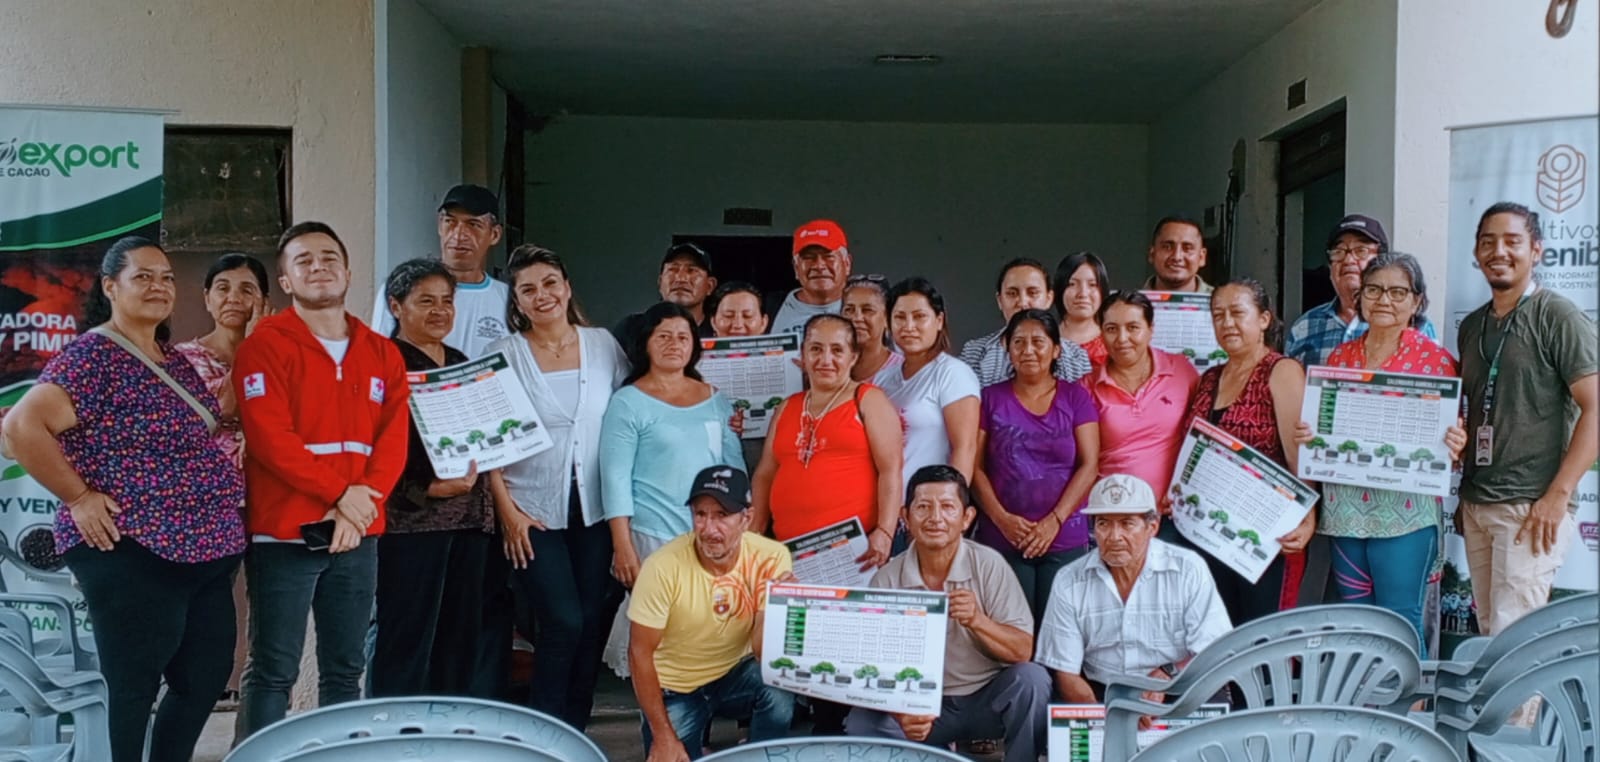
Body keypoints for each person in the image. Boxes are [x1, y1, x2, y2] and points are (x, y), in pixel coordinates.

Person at [1, 237, 246, 762]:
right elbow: (21, 428)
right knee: (133, 687)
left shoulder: (171, 358)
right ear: (111, 287)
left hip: (205, 551)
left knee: (204, 676)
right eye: (143, 277)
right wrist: (80, 497)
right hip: (135, 548)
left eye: (166, 278)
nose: (159, 286)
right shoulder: (93, 357)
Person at [234, 222, 410, 736]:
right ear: (286, 281)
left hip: (357, 534)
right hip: (285, 533)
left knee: (345, 669)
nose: (319, 267)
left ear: (348, 273)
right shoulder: (264, 345)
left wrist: (359, 508)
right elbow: (270, 439)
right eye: (304, 260)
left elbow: (392, 441)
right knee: (274, 670)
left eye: (329, 257)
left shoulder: (381, 351)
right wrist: (342, 496)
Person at [1290, 253, 1466, 652]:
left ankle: (1411, 695)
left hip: (1404, 513)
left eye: (1398, 292)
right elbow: (1327, 428)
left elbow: (1454, 440)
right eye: (1374, 290)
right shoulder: (1340, 358)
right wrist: (1311, 433)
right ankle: (1366, 693)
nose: (1384, 299)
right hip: (1346, 510)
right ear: (1360, 297)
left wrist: (1457, 441)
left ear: (1416, 301)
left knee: (1400, 619)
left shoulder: (1437, 362)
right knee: (1358, 622)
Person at [487, 245, 629, 728]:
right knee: (562, 621)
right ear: (517, 301)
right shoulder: (503, 354)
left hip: (596, 508)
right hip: (531, 509)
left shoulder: (603, 345)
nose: (541, 295)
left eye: (550, 283)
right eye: (528, 289)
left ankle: (577, 731)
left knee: (590, 622)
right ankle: (545, 733)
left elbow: (630, 413)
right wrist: (507, 513)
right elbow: (489, 442)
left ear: (567, 288)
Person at [1457, 202, 1597, 637]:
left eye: (1512, 241)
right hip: (1478, 502)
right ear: (1476, 253)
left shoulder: (1557, 315)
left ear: (1536, 250)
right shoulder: (1472, 326)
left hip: (1531, 505)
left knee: (1512, 639)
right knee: (1489, 634)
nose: (1499, 251)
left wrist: (1558, 495)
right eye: (1488, 242)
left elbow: (1595, 407)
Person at [845, 466, 1048, 762]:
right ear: (905, 517)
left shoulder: (989, 564)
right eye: (923, 507)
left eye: (948, 507)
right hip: (920, 706)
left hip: (985, 699)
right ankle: (935, 756)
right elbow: (871, 666)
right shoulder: (886, 578)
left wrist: (978, 621)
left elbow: (1022, 650)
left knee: (1032, 680)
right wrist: (900, 712)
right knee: (862, 723)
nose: (935, 518)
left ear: (967, 518)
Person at [370, 259, 495, 697]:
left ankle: (448, 726)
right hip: (412, 523)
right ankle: (395, 728)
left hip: (469, 520)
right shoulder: (383, 364)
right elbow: (374, 444)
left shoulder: (460, 362)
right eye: (426, 301)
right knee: (406, 636)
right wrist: (425, 488)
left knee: (460, 638)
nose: (440, 311)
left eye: (447, 301)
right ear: (396, 306)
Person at [600, 302, 745, 676]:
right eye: (663, 336)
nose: (674, 344)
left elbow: (734, 469)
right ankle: (661, 714)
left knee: (709, 637)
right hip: (653, 535)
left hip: (711, 535)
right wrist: (622, 545)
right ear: (645, 342)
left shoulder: (714, 399)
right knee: (662, 642)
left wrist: (742, 527)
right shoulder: (628, 401)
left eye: (682, 337)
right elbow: (615, 477)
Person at [628, 465, 794, 761]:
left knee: (778, 688)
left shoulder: (771, 556)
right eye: (700, 514)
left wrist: (777, 604)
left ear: (746, 518)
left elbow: (762, 652)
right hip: (675, 687)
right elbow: (639, 653)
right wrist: (663, 736)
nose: (708, 529)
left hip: (733, 672)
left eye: (722, 515)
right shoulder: (662, 566)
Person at [172, 252, 271, 709]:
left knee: (271, 615)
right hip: (210, 505)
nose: (234, 298)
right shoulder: (184, 360)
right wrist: (252, 348)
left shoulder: (281, 353)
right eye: (224, 288)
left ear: (263, 300)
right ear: (207, 298)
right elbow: (224, 410)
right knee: (207, 610)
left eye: (247, 289)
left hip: (270, 498)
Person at [1036, 474, 1232, 703]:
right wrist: (1105, 717)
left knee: (1212, 691)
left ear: (1152, 527)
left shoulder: (1187, 569)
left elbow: (1213, 649)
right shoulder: (1069, 580)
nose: (1114, 536)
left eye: (1127, 523)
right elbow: (1066, 672)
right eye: (1103, 523)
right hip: (1105, 693)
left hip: (1177, 687)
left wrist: (1167, 674)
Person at [1185, 278, 1313, 626]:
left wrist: (1307, 518)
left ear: (1264, 319)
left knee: (1262, 635)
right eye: (1218, 315)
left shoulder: (1281, 371)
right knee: (1217, 633)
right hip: (1212, 532)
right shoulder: (1210, 378)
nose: (1227, 323)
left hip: (1268, 535)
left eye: (1237, 313)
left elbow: (1298, 455)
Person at [971, 309, 1100, 624]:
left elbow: (1089, 464)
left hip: (1064, 536)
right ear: (1007, 347)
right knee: (1011, 633)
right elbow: (973, 467)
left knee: (1060, 633)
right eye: (1019, 342)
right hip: (1002, 538)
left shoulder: (1076, 397)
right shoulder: (989, 399)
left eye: (1038, 342)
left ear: (1056, 349)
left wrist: (1054, 521)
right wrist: (1002, 519)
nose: (1028, 350)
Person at [750, 313, 903, 559]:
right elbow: (765, 473)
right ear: (803, 354)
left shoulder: (868, 399)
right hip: (787, 552)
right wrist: (754, 530)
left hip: (854, 550)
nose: (826, 359)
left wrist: (885, 531)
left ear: (853, 357)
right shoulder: (788, 406)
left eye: (837, 350)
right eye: (816, 349)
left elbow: (891, 470)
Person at [1086, 291, 1201, 543]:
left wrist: (1188, 489)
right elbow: (1082, 460)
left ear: (1151, 329)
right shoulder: (1087, 386)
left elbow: (1203, 437)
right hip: (1111, 518)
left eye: (1133, 327)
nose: (1122, 338)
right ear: (1101, 332)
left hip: (1171, 517)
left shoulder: (1181, 370)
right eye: (1112, 329)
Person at [370, 184, 511, 357]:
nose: (459, 235)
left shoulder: (509, 300)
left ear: (494, 234)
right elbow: (377, 357)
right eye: (450, 222)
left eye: (473, 224)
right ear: (439, 226)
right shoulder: (402, 287)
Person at [1285, 214, 1439, 368]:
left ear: (1382, 264)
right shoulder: (1305, 326)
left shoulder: (1416, 325)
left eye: (1361, 251)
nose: (1348, 260)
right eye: (1339, 252)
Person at [881, 277, 982, 481]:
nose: (909, 326)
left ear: (939, 321)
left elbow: (965, 448)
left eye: (919, 317)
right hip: (887, 497)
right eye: (900, 317)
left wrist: (952, 497)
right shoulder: (883, 378)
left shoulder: (953, 374)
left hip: (930, 498)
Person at [960, 258, 1092, 386]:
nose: (1023, 303)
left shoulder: (1076, 356)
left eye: (1032, 293)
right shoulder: (974, 353)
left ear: (1049, 298)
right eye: (1012, 293)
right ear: (1000, 300)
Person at [614, 242, 718, 346]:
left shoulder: (720, 329)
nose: (681, 278)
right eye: (673, 269)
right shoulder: (631, 329)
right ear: (660, 283)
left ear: (709, 286)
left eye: (692, 271)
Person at [769, 219, 852, 335]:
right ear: (796, 268)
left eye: (828, 256)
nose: (819, 266)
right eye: (808, 258)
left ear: (847, 263)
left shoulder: (865, 309)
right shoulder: (769, 309)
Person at [841, 273, 902, 383]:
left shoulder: (903, 371)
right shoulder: (830, 366)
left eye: (868, 310)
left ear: (887, 319)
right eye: (849, 310)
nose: (857, 318)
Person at [1054, 251, 1110, 367]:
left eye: (1092, 285)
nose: (1083, 294)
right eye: (1072, 284)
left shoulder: (1113, 342)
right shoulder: (1044, 340)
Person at [1143, 217, 1213, 293]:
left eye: (1187, 248)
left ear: (1202, 257)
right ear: (1152, 254)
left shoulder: (1219, 300)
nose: (1177, 257)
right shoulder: (1134, 299)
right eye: (1167, 247)